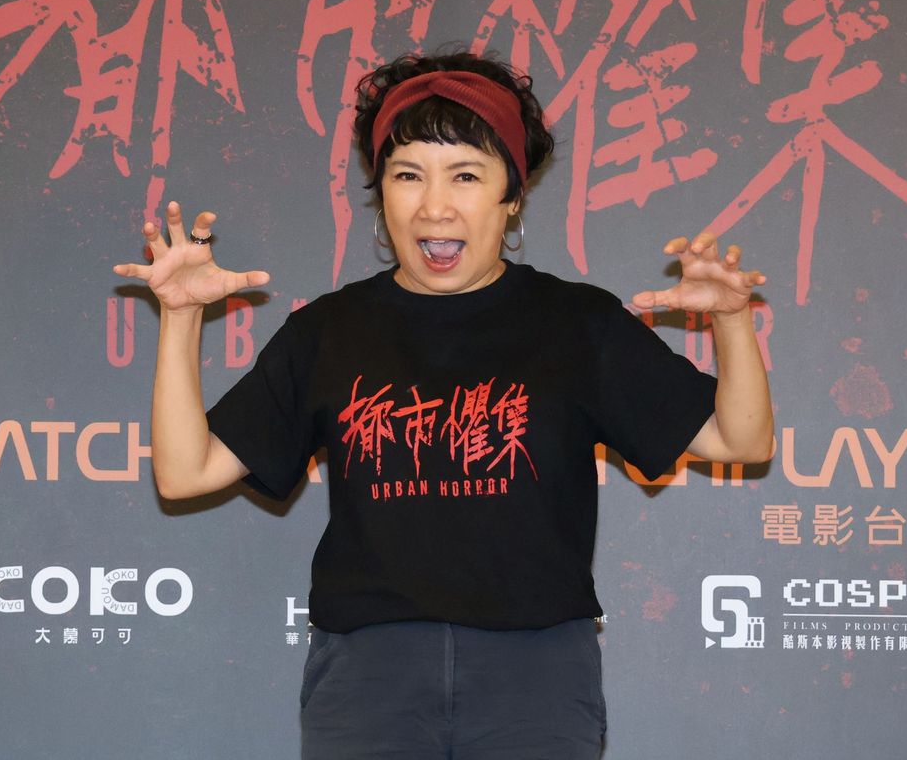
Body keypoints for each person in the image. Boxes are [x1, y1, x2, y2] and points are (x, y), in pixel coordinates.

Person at [114, 51, 773, 759]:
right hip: (369, 676)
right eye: (408, 176)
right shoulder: (330, 330)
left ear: (511, 195)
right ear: (381, 195)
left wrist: (732, 322)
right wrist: (180, 317)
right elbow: (185, 472)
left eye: (465, 175)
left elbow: (741, 441)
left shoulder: (576, 322)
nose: (434, 206)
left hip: (537, 675)